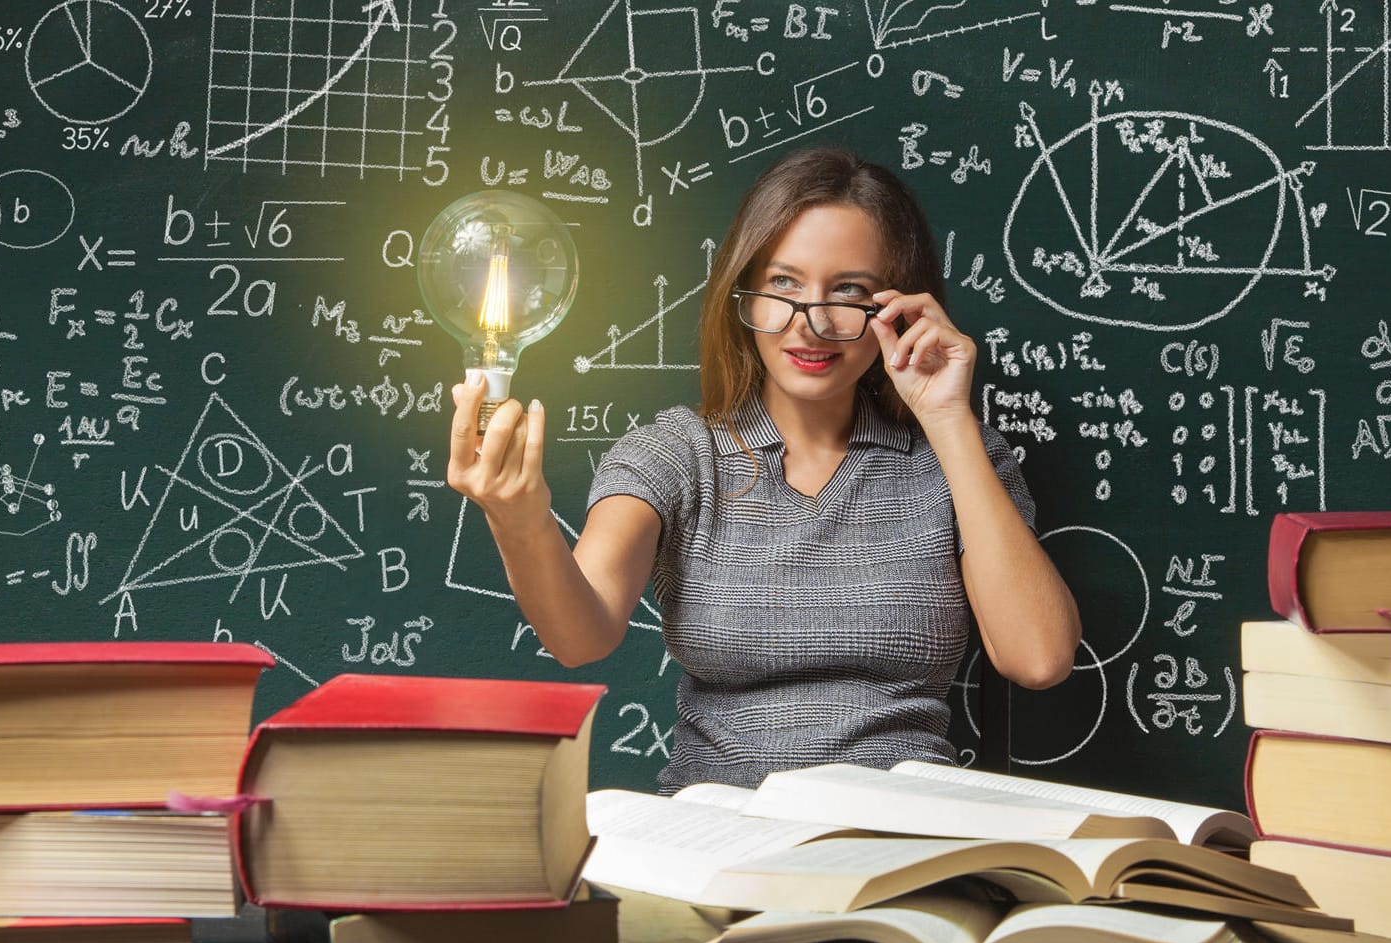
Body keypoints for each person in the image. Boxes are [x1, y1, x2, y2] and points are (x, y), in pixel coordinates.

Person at [447, 146, 1081, 793]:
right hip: (717, 836)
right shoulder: (676, 455)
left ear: (901, 307)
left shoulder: (959, 461)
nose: (814, 324)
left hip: (900, 837)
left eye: (850, 291)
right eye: (784, 284)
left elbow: (1039, 658)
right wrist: (518, 518)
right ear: (741, 294)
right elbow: (582, 634)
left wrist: (948, 419)